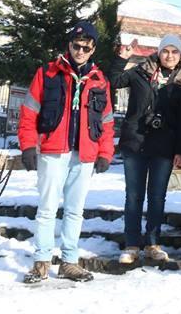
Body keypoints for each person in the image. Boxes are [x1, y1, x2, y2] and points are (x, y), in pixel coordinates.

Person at [19, 21, 114, 284]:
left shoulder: (99, 79)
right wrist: (27, 145)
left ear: (93, 48)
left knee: (75, 210)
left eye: (86, 47)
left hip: (84, 154)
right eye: (76, 45)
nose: (80, 51)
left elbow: (106, 120)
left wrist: (105, 152)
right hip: (53, 150)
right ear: (69, 45)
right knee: (47, 208)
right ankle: (41, 262)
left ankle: (69, 262)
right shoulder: (47, 72)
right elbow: (29, 112)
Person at [112, 34, 181, 264]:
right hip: (135, 142)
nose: (169, 56)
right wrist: (121, 59)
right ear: (159, 52)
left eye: (174, 52)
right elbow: (115, 81)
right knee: (133, 196)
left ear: (180, 56)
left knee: (157, 197)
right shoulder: (140, 72)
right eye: (166, 51)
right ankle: (131, 244)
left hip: (164, 146)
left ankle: (153, 243)